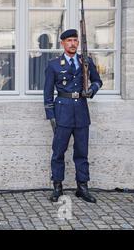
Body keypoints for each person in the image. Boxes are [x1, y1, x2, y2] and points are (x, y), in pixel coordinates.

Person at [44, 29, 102, 203]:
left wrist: (91, 90)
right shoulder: (54, 64)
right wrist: (51, 116)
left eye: (75, 40)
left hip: (82, 112)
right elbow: (47, 93)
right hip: (62, 112)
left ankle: (82, 187)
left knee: (82, 152)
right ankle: (57, 187)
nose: (73, 43)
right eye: (69, 40)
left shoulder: (86, 61)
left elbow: (98, 81)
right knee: (58, 152)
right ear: (62, 43)